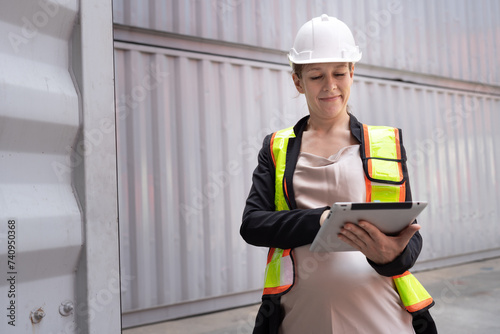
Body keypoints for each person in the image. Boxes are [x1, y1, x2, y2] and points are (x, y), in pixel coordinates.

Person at [240, 14, 437, 334]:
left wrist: (391, 256)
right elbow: (253, 224)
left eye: (339, 73)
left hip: (380, 314)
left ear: (352, 73)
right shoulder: (277, 148)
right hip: (301, 316)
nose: (330, 86)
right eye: (316, 76)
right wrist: (321, 219)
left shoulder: (384, 144)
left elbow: (409, 233)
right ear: (298, 81)